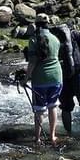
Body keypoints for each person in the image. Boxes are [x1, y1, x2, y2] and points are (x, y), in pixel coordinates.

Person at [24, 13, 62, 145]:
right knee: (53, 106)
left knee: (39, 109)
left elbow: (33, 62)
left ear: (36, 25)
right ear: (48, 24)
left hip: (40, 79)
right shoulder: (55, 39)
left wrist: (26, 78)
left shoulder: (34, 39)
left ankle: (38, 138)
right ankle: (52, 136)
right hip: (56, 77)